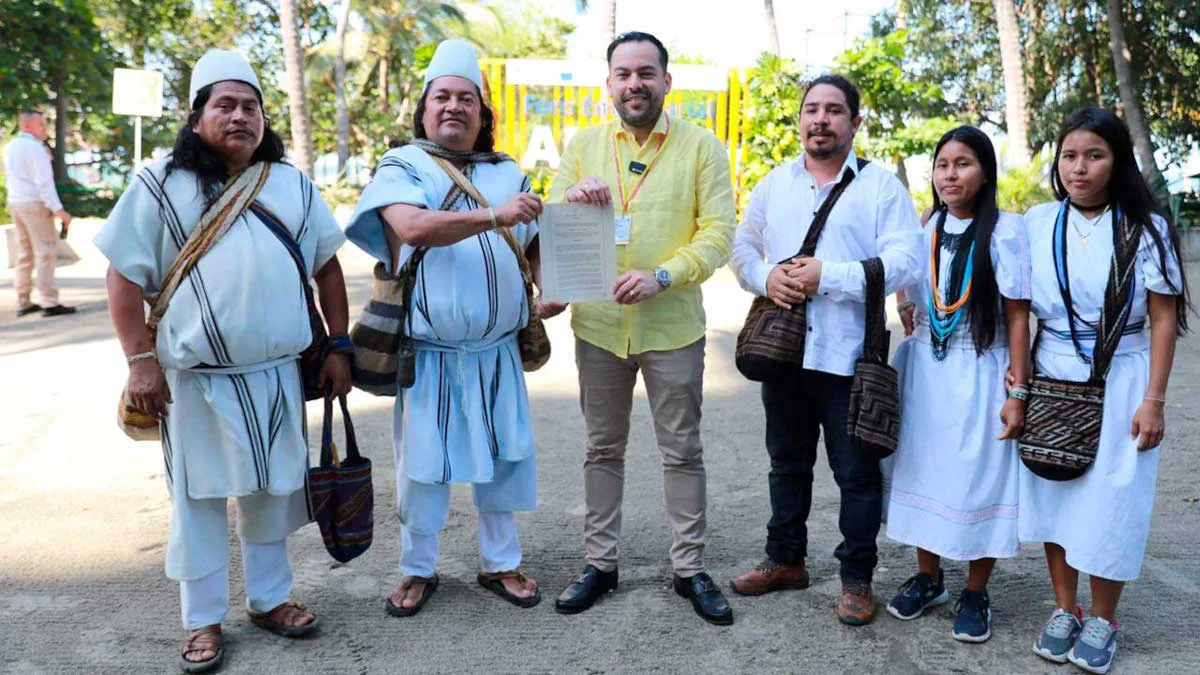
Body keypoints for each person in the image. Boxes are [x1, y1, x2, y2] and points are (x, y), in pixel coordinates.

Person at [95, 49, 351, 673]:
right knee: (198, 501)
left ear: (265, 118)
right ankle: (203, 620)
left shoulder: (290, 183)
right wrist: (140, 361)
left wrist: (338, 344)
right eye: (225, 105)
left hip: (275, 376)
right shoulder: (158, 186)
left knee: (273, 491)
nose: (240, 117)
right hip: (193, 383)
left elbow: (327, 266)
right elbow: (123, 278)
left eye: (251, 107)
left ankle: (268, 600)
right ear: (197, 116)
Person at [345, 39, 556, 618]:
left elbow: (531, 242)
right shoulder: (401, 165)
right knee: (423, 466)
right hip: (429, 353)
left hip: (496, 351)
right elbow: (411, 227)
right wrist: (494, 213)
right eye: (442, 97)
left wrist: (548, 285)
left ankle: (502, 563)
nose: (454, 107)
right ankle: (417, 570)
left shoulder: (506, 170)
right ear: (424, 108)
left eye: (468, 98)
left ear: (484, 114)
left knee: (504, 454)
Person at [548, 31, 738, 626]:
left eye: (646, 73)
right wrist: (574, 196)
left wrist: (663, 275)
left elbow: (717, 235)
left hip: (671, 324)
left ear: (665, 81)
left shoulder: (701, 148)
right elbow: (555, 221)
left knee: (682, 450)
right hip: (599, 326)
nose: (635, 84)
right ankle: (600, 564)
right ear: (609, 84)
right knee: (602, 448)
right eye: (624, 74)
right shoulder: (582, 146)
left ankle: (689, 569)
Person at [728, 74, 921, 626]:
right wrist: (767, 278)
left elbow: (906, 260)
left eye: (834, 110)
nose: (820, 119)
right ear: (800, 119)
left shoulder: (882, 187)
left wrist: (827, 276)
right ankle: (785, 560)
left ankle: (857, 580)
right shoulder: (774, 184)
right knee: (786, 465)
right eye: (811, 109)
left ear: (855, 123)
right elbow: (743, 247)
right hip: (783, 354)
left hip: (850, 357)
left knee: (856, 474)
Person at [1021, 108, 1188, 674]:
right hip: (1053, 371)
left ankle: (1103, 617)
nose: (1079, 167)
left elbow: (1164, 318)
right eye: (1069, 155)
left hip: (1124, 373)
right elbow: (1016, 304)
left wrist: (1154, 399)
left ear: (1117, 163)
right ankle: (1064, 610)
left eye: (1094, 155)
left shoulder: (1146, 227)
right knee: (1056, 488)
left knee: (1114, 500)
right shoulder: (1037, 223)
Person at [882, 126, 1031, 643]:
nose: (950, 174)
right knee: (922, 470)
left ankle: (975, 589)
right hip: (926, 369)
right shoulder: (922, 227)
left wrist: (1018, 390)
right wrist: (905, 302)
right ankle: (928, 577)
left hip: (982, 369)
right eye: (942, 164)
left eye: (963, 163)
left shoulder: (1006, 231)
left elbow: (1017, 317)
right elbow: (905, 276)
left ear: (985, 172)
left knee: (978, 476)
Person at [3, 110, 74, 317]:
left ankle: (22, 301)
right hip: (34, 204)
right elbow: (44, 183)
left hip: (16, 203)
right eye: (41, 125)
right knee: (46, 252)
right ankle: (49, 301)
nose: (45, 129)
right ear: (26, 126)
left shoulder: (10, 147)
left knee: (24, 254)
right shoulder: (35, 149)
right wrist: (58, 210)